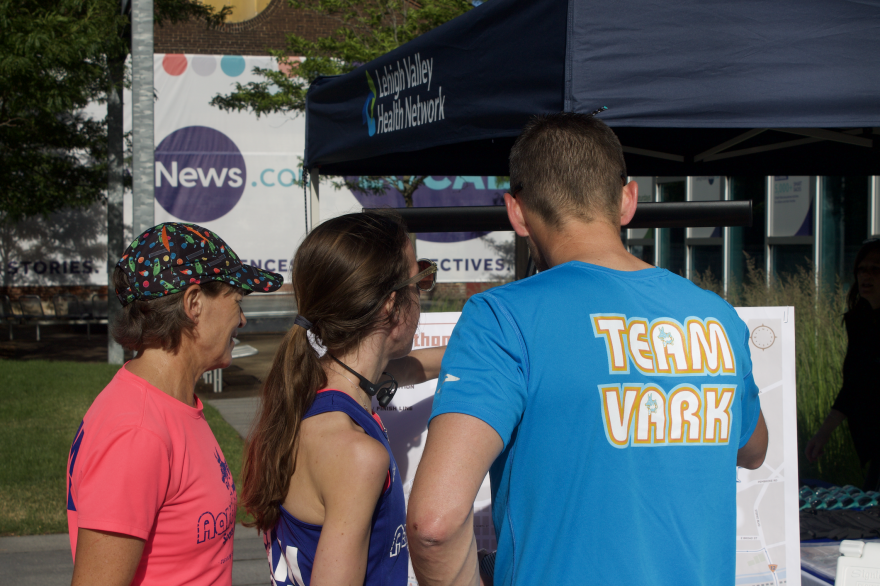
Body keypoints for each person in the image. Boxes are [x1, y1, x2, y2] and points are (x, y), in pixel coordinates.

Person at [406, 113, 769, 586]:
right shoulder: (716, 316)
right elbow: (753, 447)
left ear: (515, 212)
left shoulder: (501, 317)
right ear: (628, 200)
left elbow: (434, 524)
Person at [66, 222, 283, 585]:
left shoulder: (172, 404)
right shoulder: (137, 432)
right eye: (237, 302)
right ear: (193, 304)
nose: (242, 319)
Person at [242, 211, 444, 586]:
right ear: (391, 304)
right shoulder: (354, 453)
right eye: (422, 278)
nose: (424, 290)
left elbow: (417, 368)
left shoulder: (309, 387)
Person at [807, 239, 880, 490]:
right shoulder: (859, 321)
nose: (866, 276)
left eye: (875, 270)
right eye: (862, 269)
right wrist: (823, 434)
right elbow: (853, 384)